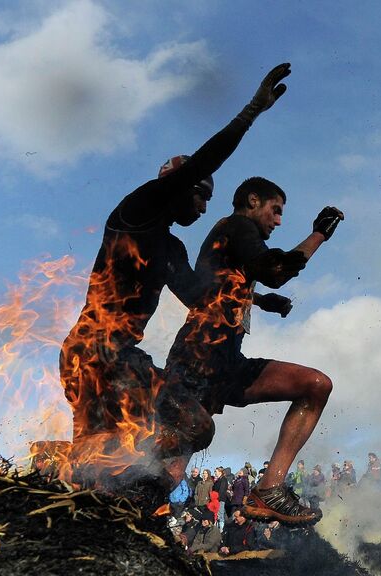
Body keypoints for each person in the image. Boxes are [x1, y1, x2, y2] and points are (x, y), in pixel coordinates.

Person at [58, 63, 297, 488]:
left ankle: (133, 492)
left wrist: (256, 298)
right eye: (201, 197)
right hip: (93, 352)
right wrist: (251, 112)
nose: (205, 209)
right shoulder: (139, 210)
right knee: (97, 460)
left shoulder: (171, 247)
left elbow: (198, 295)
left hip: (125, 358)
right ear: (179, 187)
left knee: (197, 427)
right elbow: (205, 159)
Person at [165, 177, 343, 524]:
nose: (278, 221)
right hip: (197, 360)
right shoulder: (237, 225)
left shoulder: (231, 240)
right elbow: (276, 269)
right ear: (252, 201)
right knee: (171, 465)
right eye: (275, 211)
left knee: (315, 384)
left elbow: (218, 283)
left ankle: (269, 491)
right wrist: (319, 234)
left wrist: (259, 300)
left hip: (228, 363)